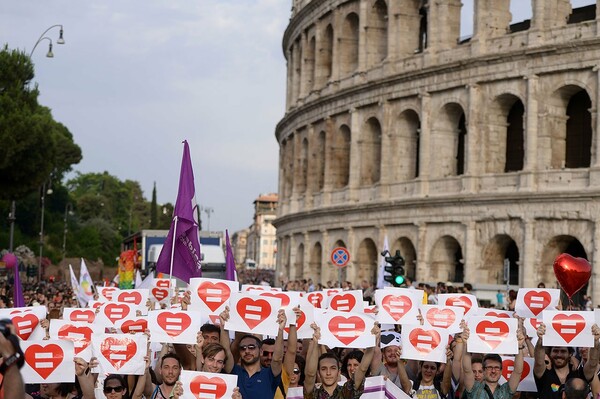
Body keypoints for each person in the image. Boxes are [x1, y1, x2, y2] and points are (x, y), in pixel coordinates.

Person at [220, 307, 285, 398]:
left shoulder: (269, 374)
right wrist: (223, 326)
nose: (247, 351)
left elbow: (277, 359)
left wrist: (280, 331)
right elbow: (225, 351)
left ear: (261, 351)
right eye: (243, 348)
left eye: (251, 347)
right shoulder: (234, 371)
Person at [304, 322, 377, 399]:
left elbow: (362, 368)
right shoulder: (313, 393)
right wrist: (315, 342)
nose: (328, 373)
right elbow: (310, 374)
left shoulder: (347, 391)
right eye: (323, 369)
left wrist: (372, 339)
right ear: (318, 373)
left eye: (333, 368)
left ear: (339, 372)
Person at [533, 322, 600, 398]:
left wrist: (595, 342)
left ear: (570, 354)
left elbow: (592, 364)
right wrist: (540, 340)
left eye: (563, 351)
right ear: (549, 354)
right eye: (555, 351)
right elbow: (539, 361)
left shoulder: (579, 374)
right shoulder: (544, 374)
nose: (559, 355)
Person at [461, 322, 525, 398]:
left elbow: (517, 371)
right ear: (483, 370)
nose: (493, 371)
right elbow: (467, 370)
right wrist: (466, 344)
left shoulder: (506, 390)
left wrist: (520, 346)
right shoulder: (474, 388)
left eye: (497, 368)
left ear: (501, 371)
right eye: (489, 367)